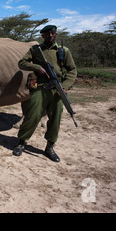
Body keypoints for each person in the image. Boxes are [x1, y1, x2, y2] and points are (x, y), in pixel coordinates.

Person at [13, 25, 77, 162]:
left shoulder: (63, 51)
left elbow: (72, 70)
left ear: (56, 34)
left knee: (55, 119)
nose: (51, 36)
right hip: (40, 87)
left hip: (57, 88)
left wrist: (64, 86)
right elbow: (22, 63)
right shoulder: (36, 50)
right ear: (43, 36)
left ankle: (50, 147)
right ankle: (21, 142)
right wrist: (37, 67)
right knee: (32, 115)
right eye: (47, 34)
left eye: (53, 33)